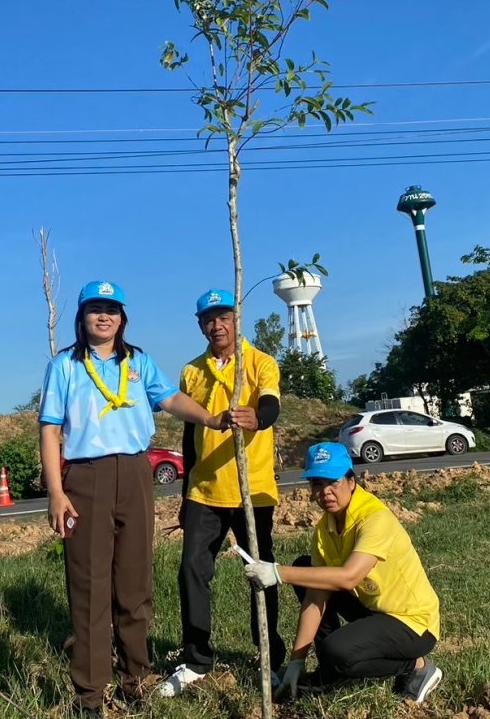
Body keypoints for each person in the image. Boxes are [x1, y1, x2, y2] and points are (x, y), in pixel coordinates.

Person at [39, 280, 226, 718]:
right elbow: (50, 429)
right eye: (95, 309)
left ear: (122, 318)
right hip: (86, 477)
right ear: (82, 317)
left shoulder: (139, 361)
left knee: (136, 582)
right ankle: (89, 695)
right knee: (89, 586)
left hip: (136, 473)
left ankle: (134, 680)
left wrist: (213, 419)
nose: (104, 317)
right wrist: (56, 492)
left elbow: (172, 399)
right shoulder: (64, 366)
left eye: (112, 309)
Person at [242, 442, 443, 705]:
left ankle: (415, 665)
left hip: (412, 623)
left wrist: (279, 573)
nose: (325, 492)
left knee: (337, 652)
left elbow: (349, 577)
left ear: (351, 481)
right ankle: (330, 671)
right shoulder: (325, 529)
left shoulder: (374, 519)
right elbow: (316, 596)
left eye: (333, 482)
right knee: (307, 570)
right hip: (375, 610)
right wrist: (296, 660)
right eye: (316, 483)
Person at [158, 289, 286, 697]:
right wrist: (185, 491)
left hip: (254, 491)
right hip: (205, 492)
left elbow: (270, 404)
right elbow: (190, 434)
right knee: (192, 571)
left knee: (262, 573)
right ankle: (197, 660)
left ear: (237, 320)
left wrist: (258, 419)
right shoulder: (192, 372)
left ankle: (270, 657)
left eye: (224, 317)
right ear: (200, 325)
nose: (217, 325)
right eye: (209, 319)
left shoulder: (260, 362)